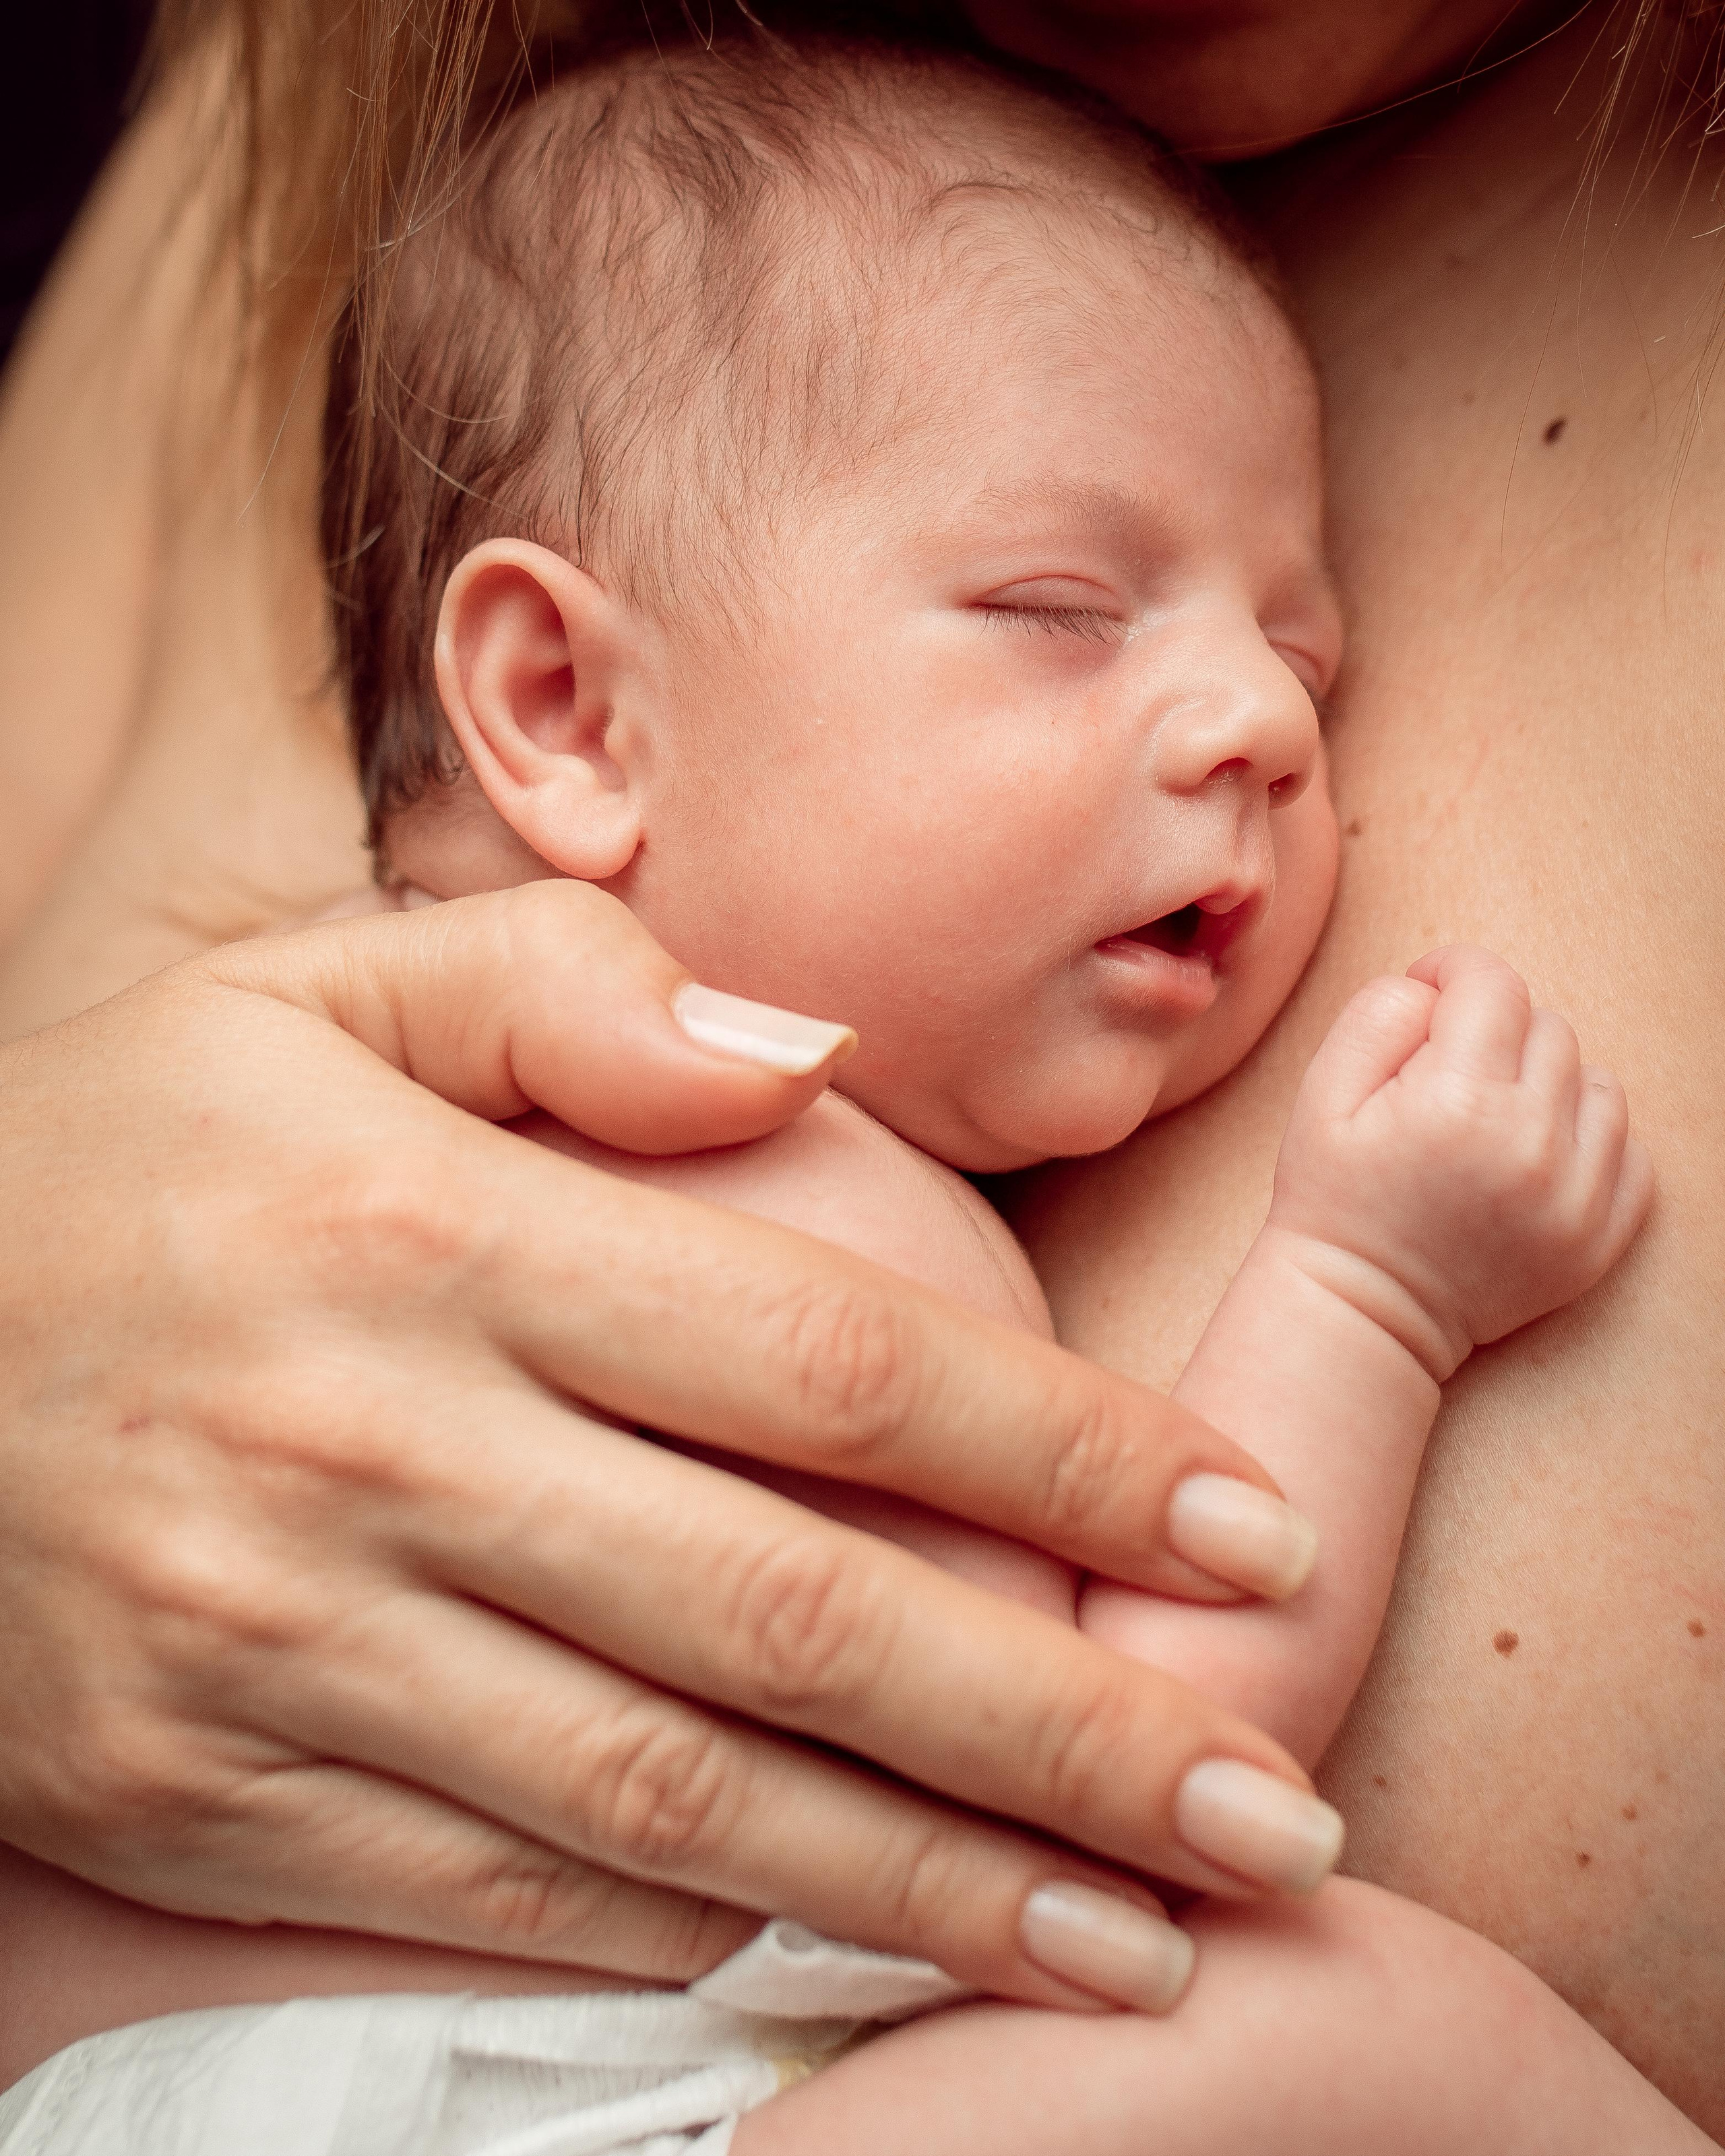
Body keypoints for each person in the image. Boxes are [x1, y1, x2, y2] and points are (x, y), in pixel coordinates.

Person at [0, 0, 1720, 2144]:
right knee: (1355, 2026)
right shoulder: (779, 1186)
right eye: (1057, 608)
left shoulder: (344, 1035)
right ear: (565, 706)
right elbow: (1140, 1766)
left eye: (1303, 657)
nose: (1265, 730)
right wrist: (1366, 1294)